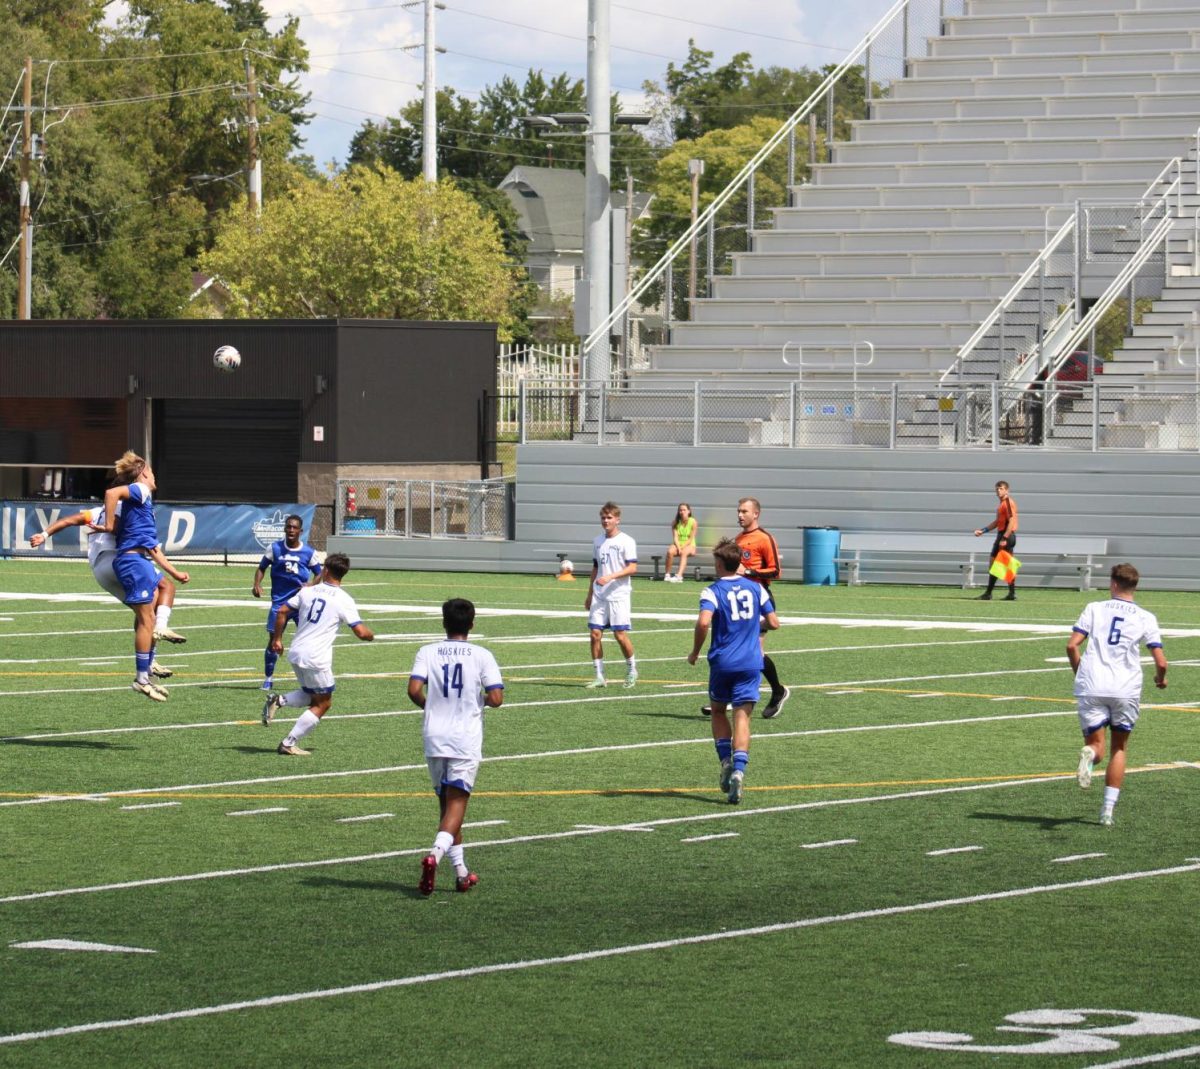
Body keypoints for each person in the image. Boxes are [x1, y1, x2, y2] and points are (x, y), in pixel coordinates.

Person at [408, 598, 504, 896]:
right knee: (457, 805)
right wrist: (480, 701)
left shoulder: (427, 651)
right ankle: (434, 856)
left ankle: (461, 873)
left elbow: (413, 690)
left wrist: (431, 707)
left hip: (434, 736)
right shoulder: (482, 655)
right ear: (472, 624)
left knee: (445, 807)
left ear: (444, 623)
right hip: (464, 738)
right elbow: (497, 698)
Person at [30, 498, 184, 679]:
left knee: (145, 611)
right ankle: (159, 632)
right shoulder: (129, 509)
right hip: (118, 562)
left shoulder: (97, 512)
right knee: (166, 587)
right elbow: (147, 545)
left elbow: (68, 520)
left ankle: (150, 662)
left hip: (100, 570)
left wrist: (44, 534)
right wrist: (174, 571)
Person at [1067, 562, 1167, 827]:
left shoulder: (1094, 608)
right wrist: (1161, 679)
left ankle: (1089, 754)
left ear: (1113, 583)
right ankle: (1107, 811)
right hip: (1125, 688)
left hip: (1092, 685)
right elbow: (1161, 661)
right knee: (1119, 748)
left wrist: (1080, 672)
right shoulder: (1145, 617)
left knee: (1096, 746)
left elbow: (1071, 645)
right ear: (1135, 586)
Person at [689, 538, 781, 804]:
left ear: (719, 564)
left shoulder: (712, 591)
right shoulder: (757, 589)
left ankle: (726, 761)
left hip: (723, 662)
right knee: (742, 717)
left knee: (718, 711)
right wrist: (753, 622)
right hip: (751, 662)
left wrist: (695, 651)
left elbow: (704, 622)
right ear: (739, 562)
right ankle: (740, 771)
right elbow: (774, 623)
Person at [100, 452, 191, 701]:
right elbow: (111, 493)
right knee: (145, 619)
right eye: (151, 472)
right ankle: (141, 679)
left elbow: (154, 549)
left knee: (165, 588)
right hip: (132, 561)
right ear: (143, 474)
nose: (154, 476)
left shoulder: (145, 503)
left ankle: (151, 659)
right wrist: (109, 525)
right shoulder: (141, 489)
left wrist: (175, 571)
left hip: (139, 560)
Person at [263, 553, 374, 755]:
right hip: (316, 657)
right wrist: (370, 635)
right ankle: (288, 743)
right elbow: (360, 631)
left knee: (311, 694)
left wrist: (277, 639)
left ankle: (279, 700)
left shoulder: (308, 591)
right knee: (323, 703)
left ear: (325, 570)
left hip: (296, 652)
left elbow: (281, 611)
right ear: (344, 574)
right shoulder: (344, 599)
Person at [733, 497, 789, 718]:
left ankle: (767, 692)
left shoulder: (765, 538)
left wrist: (748, 573)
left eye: (744, 511)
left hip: (760, 598)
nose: (740, 515)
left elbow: (776, 572)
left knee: (753, 650)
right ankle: (776, 690)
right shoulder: (737, 539)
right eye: (738, 511)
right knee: (745, 650)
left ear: (756, 514)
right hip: (741, 599)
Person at [252, 514, 322, 691]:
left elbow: (319, 573)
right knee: (273, 640)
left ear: (300, 531)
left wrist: (311, 585)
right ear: (284, 528)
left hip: (301, 603)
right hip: (279, 602)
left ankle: (310, 678)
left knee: (308, 640)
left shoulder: (309, 552)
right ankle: (268, 678)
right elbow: (261, 567)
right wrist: (256, 584)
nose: (291, 530)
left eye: (294, 527)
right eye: (288, 527)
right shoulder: (274, 548)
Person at [584, 501, 639, 689]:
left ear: (617, 520)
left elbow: (632, 567)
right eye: (603, 517)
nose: (605, 521)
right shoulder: (597, 541)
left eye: (609, 517)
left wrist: (610, 577)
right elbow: (596, 567)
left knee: (620, 635)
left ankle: (632, 669)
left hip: (618, 594)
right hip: (599, 595)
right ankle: (599, 676)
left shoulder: (627, 541)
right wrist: (589, 593)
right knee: (594, 633)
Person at [974, 480, 1019, 601]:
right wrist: (983, 530)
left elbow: (1011, 521)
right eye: (997, 489)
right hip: (1005, 535)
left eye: (1001, 488)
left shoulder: (1008, 503)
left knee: (994, 564)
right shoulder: (1002, 504)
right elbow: (997, 522)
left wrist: (1004, 538)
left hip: (1005, 536)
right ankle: (1011, 593)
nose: (998, 491)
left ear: (1007, 490)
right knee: (1006, 565)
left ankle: (989, 593)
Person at [664, 503, 697, 583]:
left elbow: (691, 538)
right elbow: (675, 537)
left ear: (689, 511)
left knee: (684, 553)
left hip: (690, 545)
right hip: (678, 544)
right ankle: (667, 575)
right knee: (670, 551)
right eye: (680, 510)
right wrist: (678, 547)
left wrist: (682, 548)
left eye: (684, 510)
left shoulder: (693, 522)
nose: (682, 512)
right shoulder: (675, 522)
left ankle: (679, 576)